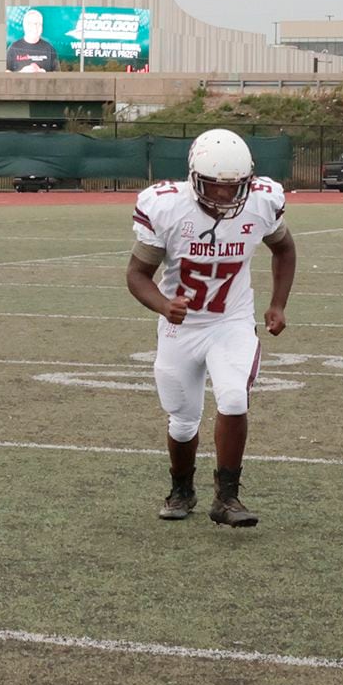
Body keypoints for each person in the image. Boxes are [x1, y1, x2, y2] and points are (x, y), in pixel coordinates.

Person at [127, 129, 294, 526]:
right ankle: (182, 488)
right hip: (181, 326)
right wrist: (164, 305)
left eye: (233, 186)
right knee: (183, 420)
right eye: (214, 185)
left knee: (234, 399)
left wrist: (278, 303)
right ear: (194, 178)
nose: (223, 194)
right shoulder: (167, 207)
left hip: (231, 321)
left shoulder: (262, 201)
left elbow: (284, 249)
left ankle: (228, 497)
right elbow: (136, 274)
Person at [6, 7, 57, 74]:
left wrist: (44, 74)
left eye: (38, 24)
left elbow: (58, 75)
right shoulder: (13, 48)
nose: (35, 27)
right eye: (30, 24)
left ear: (42, 27)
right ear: (24, 26)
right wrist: (21, 73)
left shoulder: (50, 49)